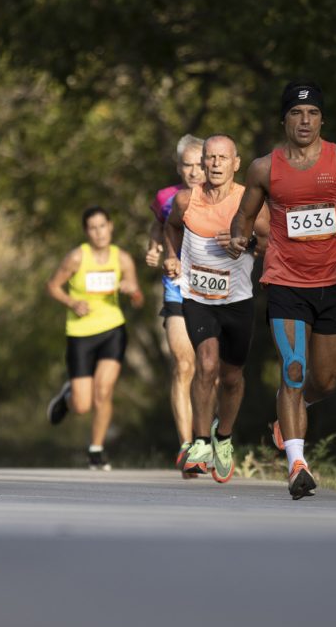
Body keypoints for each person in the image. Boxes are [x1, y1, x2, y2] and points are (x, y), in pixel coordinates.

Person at [229, 81, 336, 499]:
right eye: (296, 114)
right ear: (284, 119)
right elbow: (243, 218)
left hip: (333, 281)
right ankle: (297, 463)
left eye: (312, 113)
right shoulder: (264, 168)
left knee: (326, 380)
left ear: (322, 119)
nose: (304, 120)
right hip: (284, 281)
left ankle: (287, 418)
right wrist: (238, 240)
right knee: (293, 368)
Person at [164, 135, 270, 483]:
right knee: (206, 365)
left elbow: (270, 242)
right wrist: (171, 256)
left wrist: (247, 243)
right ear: (203, 162)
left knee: (232, 378)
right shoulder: (184, 200)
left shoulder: (249, 202)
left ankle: (222, 438)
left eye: (223, 158)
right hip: (197, 298)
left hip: (237, 301)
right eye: (210, 157)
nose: (215, 164)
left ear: (236, 163)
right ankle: (198, 443)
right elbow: (171, 227)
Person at [45, 206, 144, 471]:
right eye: (93, 228)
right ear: (86, 232)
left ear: (110, 227)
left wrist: (131, 290)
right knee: (81, 405)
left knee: (104, 390)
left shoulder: (122, 259)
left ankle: (96, 449)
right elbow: (52, 286)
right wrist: (71, 302)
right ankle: (67, 396)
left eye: (103, 226)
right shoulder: (77, 258)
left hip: (112, 330)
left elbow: (137, 297)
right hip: (80, 334)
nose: (99, 232)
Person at [143, 134, 206, 464]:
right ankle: (187, 447)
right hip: (177, 286)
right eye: (188, 165)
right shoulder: (166, 197)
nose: (195, 171)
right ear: (178, 166)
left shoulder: (224, 197)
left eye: (200, 164)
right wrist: (154, 249)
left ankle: (212, 440)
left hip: (215, 289)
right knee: (185, 364)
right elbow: (158, 226)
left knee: (213, 369)